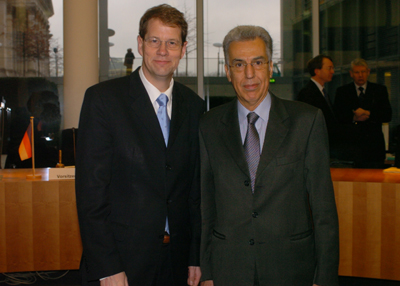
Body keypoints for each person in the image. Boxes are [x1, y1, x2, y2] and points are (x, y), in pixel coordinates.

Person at [199, 25, 339, 286]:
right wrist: (206, 272)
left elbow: (324, 210)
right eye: (239, 64)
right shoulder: (208, 125)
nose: (249, 74)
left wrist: (326, 277)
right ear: (228, 72)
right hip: (228, 269)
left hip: (291, 269)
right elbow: (206, 206)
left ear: (270, 66)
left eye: (258, 62)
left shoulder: (306, 121)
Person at [76, 4, 204, 286]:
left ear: (183, 50)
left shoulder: (195, 107)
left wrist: (196, 255)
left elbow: (195, 192)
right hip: (121, 263)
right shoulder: (104, 101)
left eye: (171, 43)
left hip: (178, 262)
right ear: (140, 43)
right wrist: (107, 267)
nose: (162, 50)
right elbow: (91, 196)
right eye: (154, 40)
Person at [334, 58, 392, 168]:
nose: (360, 75)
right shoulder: (342, 92)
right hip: (351, 147)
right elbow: (337, 116)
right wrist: (354, 117)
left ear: (368, 72)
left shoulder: (379, 90)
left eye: (363, 72)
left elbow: (387, 115)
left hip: (374, 147)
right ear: (351, 74)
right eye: (357, 72)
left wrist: (368, 113)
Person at [297, 55, 339, 157]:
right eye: (329, 68)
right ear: (317, 71)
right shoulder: (307, 93)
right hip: (316, 147)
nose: (332, 71)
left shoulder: (323, 92)